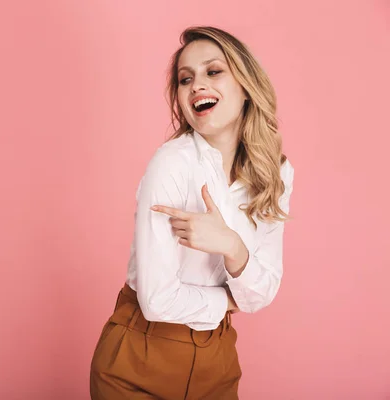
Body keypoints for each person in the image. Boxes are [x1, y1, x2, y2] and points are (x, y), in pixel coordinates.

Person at [89, 25, 295, 400]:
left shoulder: (275, 172)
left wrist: (230, 245)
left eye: (213, 71)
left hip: (217, 360)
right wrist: (229, 300)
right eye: (186, 79)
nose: (197, 85)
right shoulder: (171, 163)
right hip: (139, 357)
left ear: (246, 85)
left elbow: (264, 291)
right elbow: (157, 301)